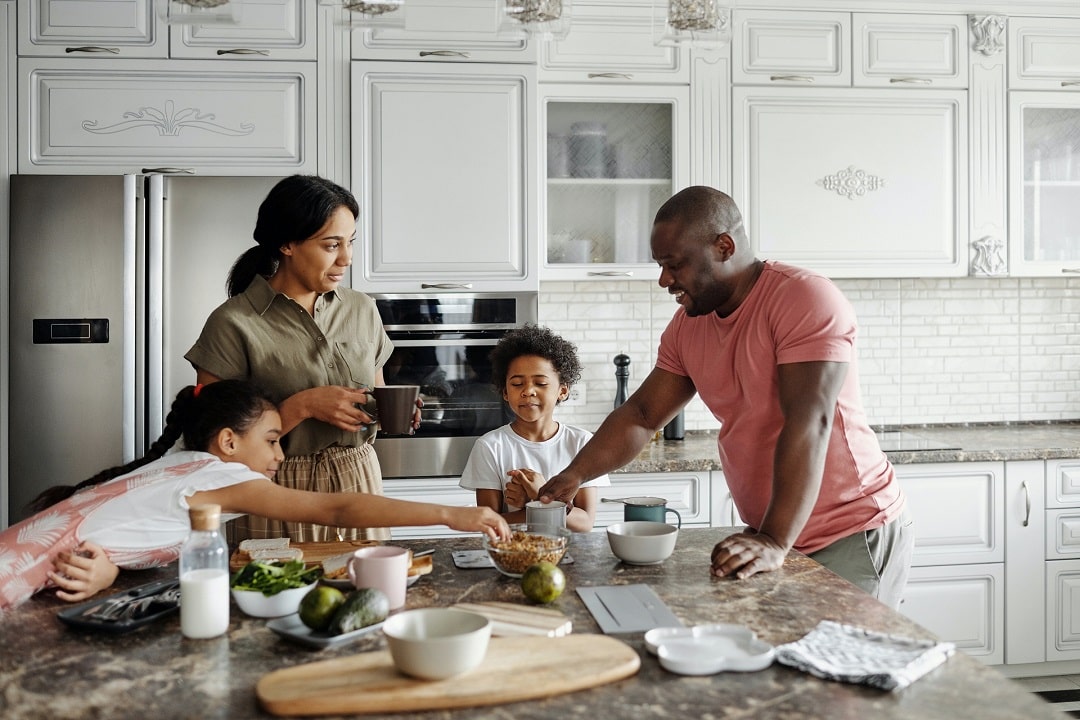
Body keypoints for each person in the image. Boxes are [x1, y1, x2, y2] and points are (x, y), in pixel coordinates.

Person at [537, 186, 913, 608]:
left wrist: (773, 538)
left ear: (724, 246)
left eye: (674, 264)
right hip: (771, 534)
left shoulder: (803, 299)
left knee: (842, 670)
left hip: (847, 531)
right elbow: (642, 415)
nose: (664, 280)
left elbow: (809, 422)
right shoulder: (688, 326)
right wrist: (575, 475)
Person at [0, 380, 510, 612]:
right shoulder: (217, 477)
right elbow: (335, 507)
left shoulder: (179, 466)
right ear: (227, 442)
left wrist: (109, 570)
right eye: (271, 440)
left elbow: (121, 533)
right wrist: (452, 513)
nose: (280, 456)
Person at [185, 174, 414, 543]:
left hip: (359, 480)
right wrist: (303, 405)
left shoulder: (362, 310)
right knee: (277, 596)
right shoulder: (232, 323)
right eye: (331, 245)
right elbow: (213, 444)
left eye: (350, 242)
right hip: (276, 491)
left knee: (369, 596)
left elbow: (375, 396)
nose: (347, 258)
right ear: (287, 244)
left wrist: (387, 410)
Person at [459, 324, 609, 533]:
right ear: (505, 392)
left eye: (540, 383)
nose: (528, 391)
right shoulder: (490, 446)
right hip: (514, 557)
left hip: (571, 557)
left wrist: (539, 496)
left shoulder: (582, 443)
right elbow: (489, 525)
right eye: (517, 383)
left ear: (562, 391)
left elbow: (584, 524)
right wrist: (539, 505)